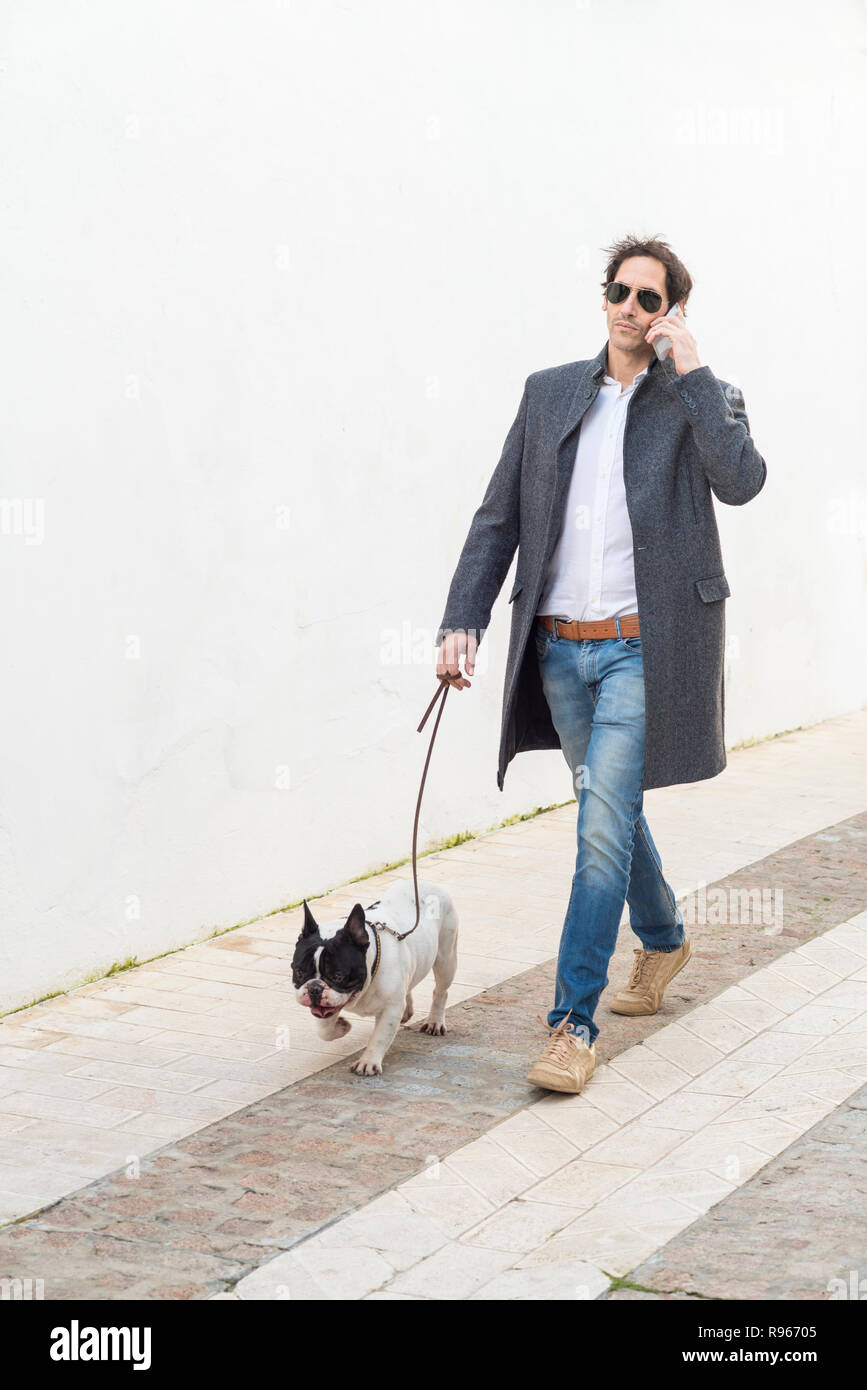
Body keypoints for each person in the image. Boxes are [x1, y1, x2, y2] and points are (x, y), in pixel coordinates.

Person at [434, 234, 768, 1093]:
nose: (629, 306)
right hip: (557, 649)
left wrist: (690, 372)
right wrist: (461, 618)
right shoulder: (548, 396)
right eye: (619, 291)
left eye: (648, 298)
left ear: (671, 314)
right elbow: (496, 515)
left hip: (639, 650)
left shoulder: (700, 400)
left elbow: (741, 482)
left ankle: (570, 1026)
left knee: (595, 837)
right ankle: (663, 940)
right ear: (605, 297)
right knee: (608, 815)